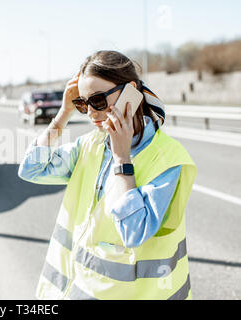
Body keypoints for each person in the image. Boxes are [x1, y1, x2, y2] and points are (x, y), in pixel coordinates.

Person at [18, 50, 197, 300]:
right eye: (82, 103)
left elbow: (134, 232)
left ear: (131, 91)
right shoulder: (90, 145)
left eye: (98, 100)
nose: (90, 113)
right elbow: (31, 169)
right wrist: (63, 115)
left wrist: (122, 158)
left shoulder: (167, 159)